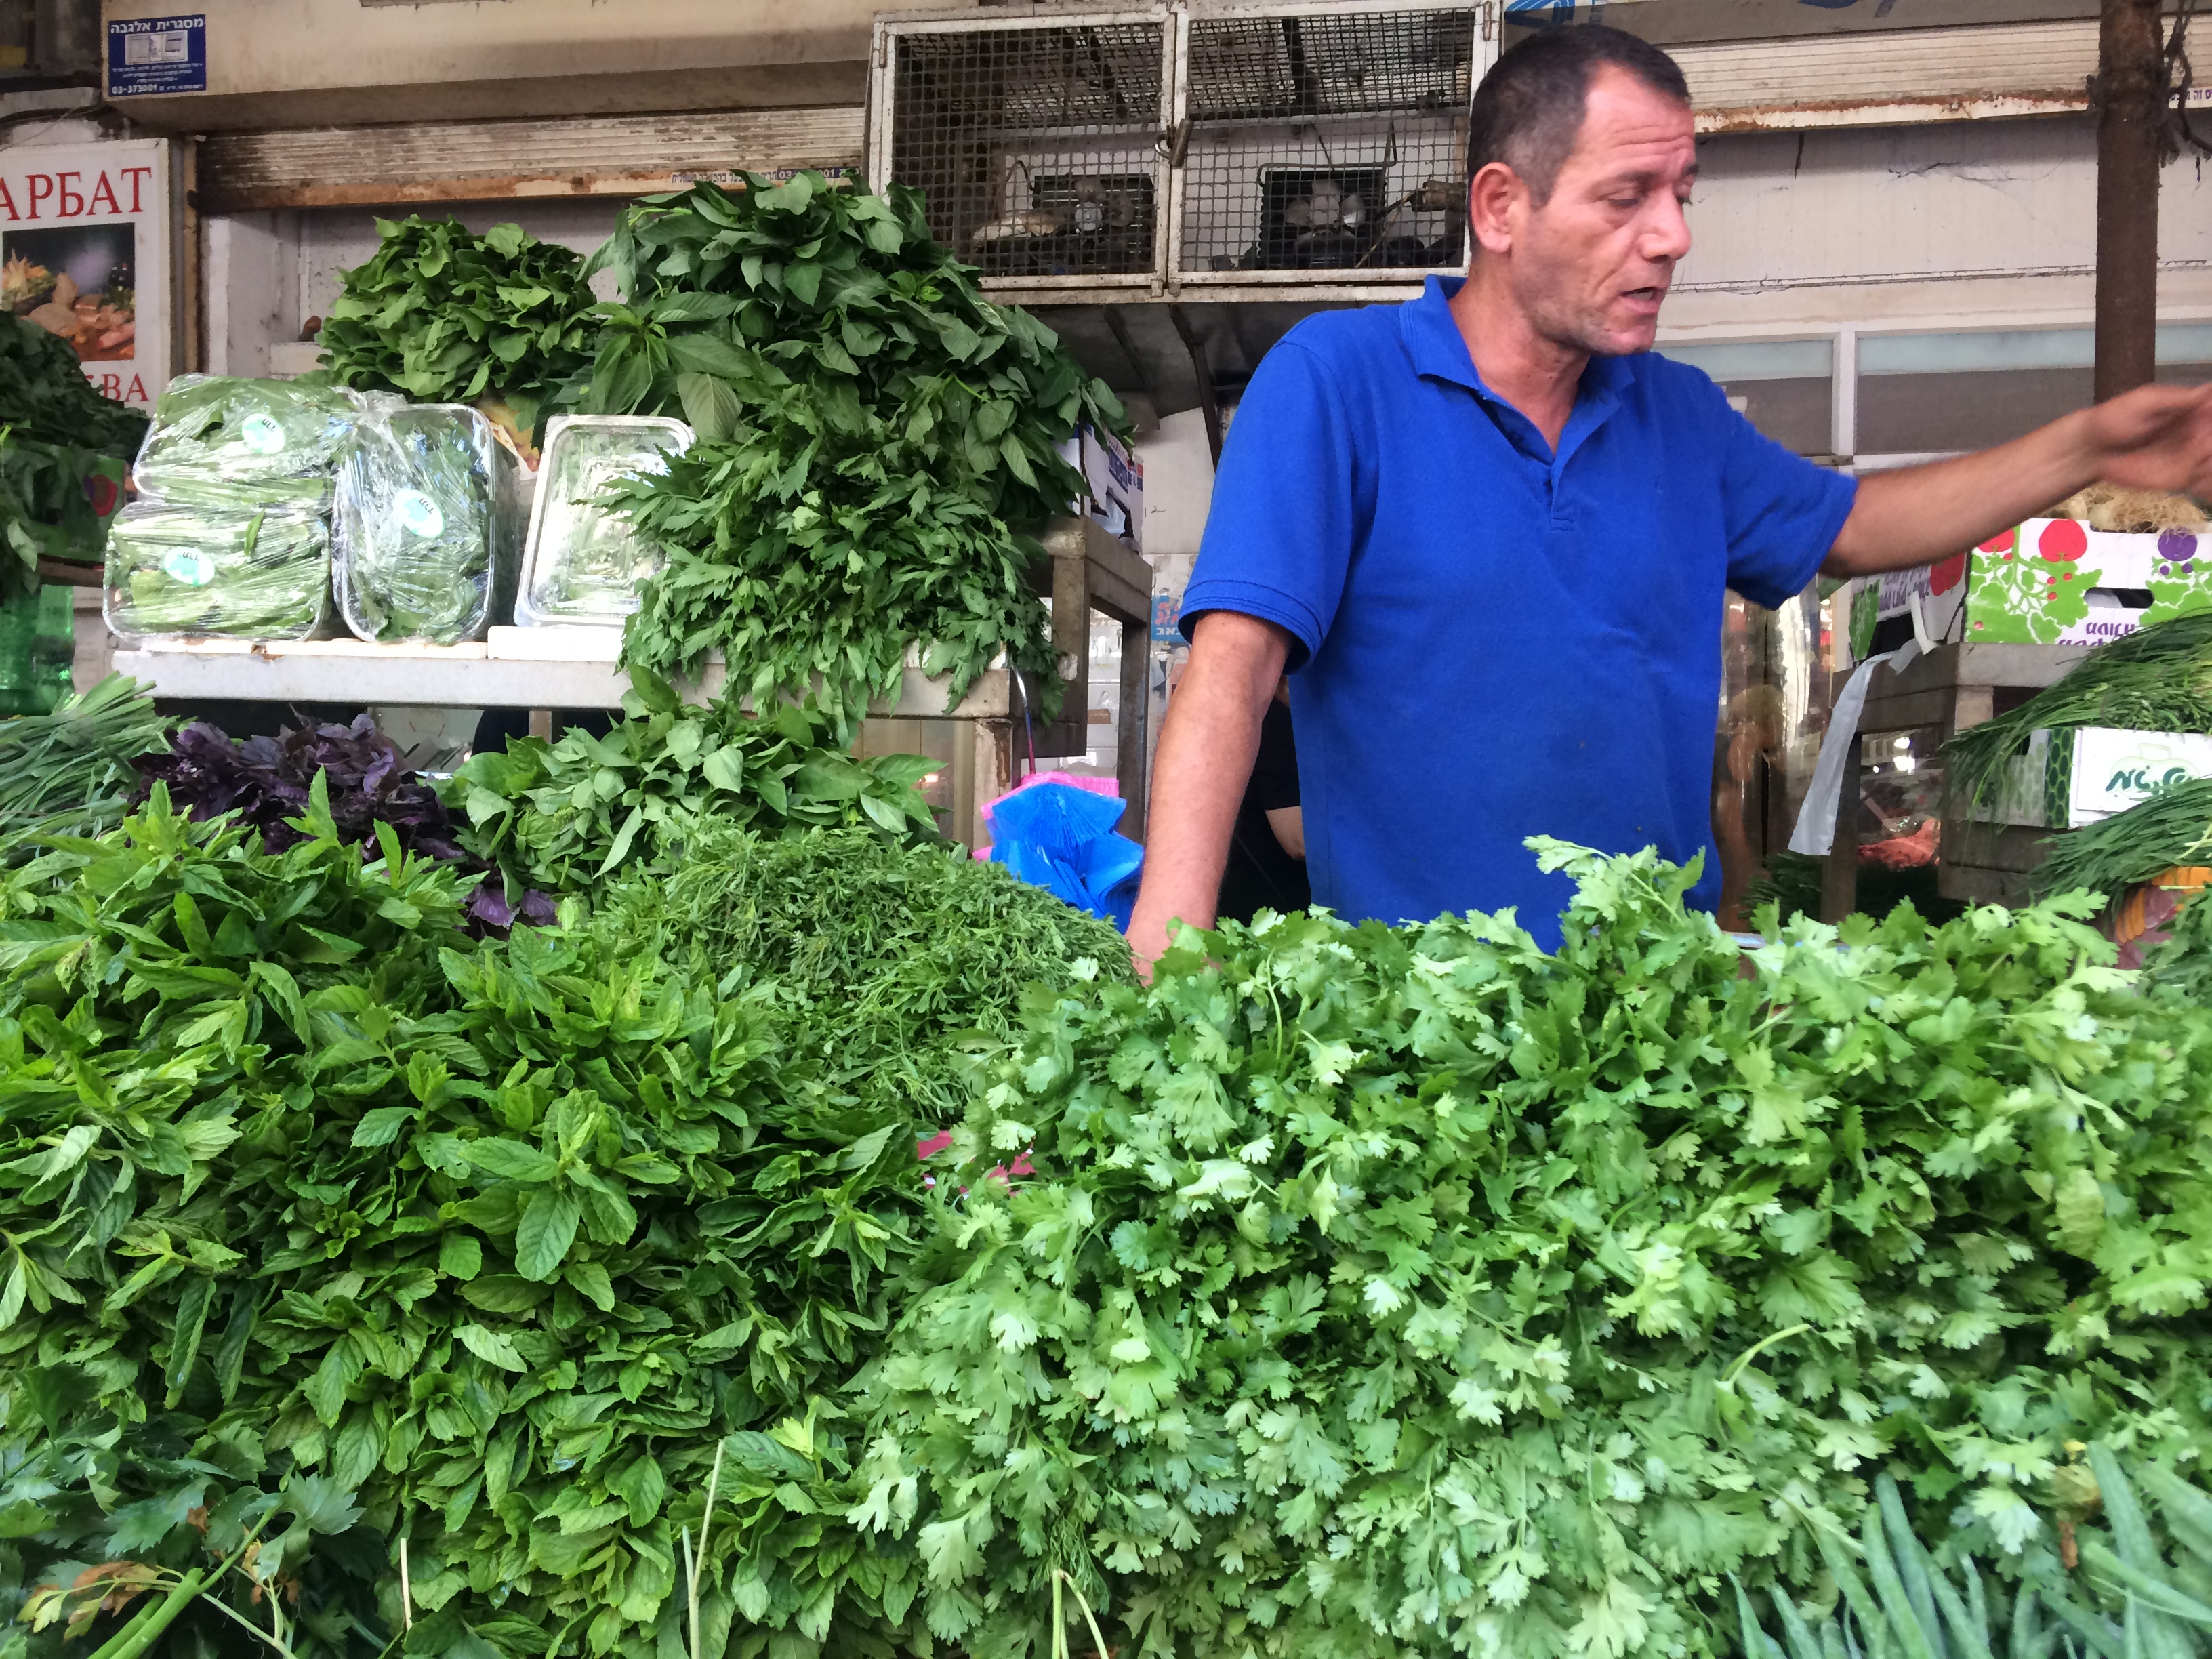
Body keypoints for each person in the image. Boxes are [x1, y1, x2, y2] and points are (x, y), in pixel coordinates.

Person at [1124, 24, 2212, 972]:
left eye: (1681, 196)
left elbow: (1856, 527)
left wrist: (2087, 446)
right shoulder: (1338, 383)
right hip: (1411, 1017)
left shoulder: (1680, 416)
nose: (1672, 237)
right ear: (1501, 207)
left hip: (1655, 1016)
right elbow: (1232, 668)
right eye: (1626, 197)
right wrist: (1168, 950)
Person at [1215, 679, 1310, 924]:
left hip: (1247, 902)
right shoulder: (1279, 722)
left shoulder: (1253, 716)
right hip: (1267, 914)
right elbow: (1299, 840)